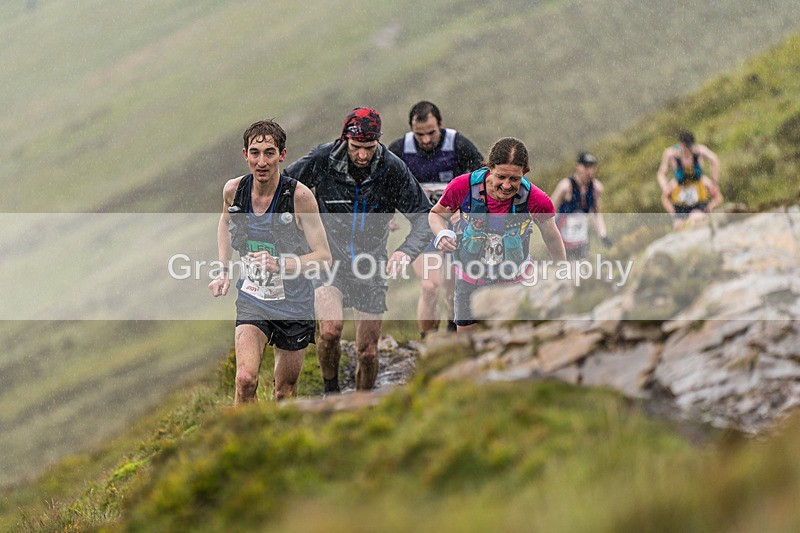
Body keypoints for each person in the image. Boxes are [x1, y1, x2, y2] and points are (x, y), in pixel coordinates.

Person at [283, 107, 433, 392]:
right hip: (329, 261)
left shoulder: (392, 168)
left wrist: (405, 251)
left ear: (377, 141)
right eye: (356, 148)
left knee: (367, 351)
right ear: (344, 141)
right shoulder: (322, 159)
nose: (363, 155)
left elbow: (424, 217)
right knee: (329, 331)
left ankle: (363, 404)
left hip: (371, 264)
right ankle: (332, 391)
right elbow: (283, 189)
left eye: (369, 147)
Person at [208, 119, 332, 404]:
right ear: (245, 155)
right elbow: (225, 223)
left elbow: (324, 257)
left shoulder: (300, 197)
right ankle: (240, 445)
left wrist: (281, 264)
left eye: (269, 153)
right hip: (254, 297)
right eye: (255, 152)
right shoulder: (233, 191)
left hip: (294, 304)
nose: (261, 161)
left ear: (282, 155)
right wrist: (223, 270)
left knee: (284, 392)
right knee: (245, 379)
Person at [429, 137, 566, 332]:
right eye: (501, 177)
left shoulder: (536, 199)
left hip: (516, 282)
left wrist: (563, 270)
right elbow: (436, 214)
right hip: (470, 280)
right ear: (489, 167)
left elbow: (552, 237)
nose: (507, 185)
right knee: (467, 348)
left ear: (524, 173)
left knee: (512, 343)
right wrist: (442, 233)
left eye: (514, 179)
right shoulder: (462, 186)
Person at [387, 101, 484, 338]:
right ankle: (427, 342)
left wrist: (469, 212)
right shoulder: (400, 149)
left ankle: (451, 339)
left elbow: (482, 179)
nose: (426, 139)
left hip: (456, 226)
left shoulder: (458, 144)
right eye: (420, 134)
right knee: (430, 286)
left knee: (454, 290)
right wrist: (385, 215)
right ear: (411, 129)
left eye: (431, 132)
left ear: (440, 124)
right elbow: (383, 184)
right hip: (423, 228)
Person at [551, 151, 611, 260]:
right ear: (578, 166)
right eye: (586, 167)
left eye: (592, 167)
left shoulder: (596, 188)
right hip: (562, 239)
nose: (589, 171)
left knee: (583, 269)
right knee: (563, 271)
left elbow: (597, 214)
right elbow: (548, 212)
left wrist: (603, 235)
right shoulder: (565, 186)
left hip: (581, 238)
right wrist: (551, 237)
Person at [657, 130, 722, 228]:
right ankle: (677, 217)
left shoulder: (699, 150)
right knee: (677, 221)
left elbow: (715, 160)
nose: (687, 151)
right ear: (680, 144)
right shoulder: (671, 154)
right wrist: (665, 187)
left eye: (689, 148)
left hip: (698, 184)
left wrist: (714, 182)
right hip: (680, 186)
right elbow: (661, 174)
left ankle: (706, 211)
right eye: (684, 148)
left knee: (698, 217)